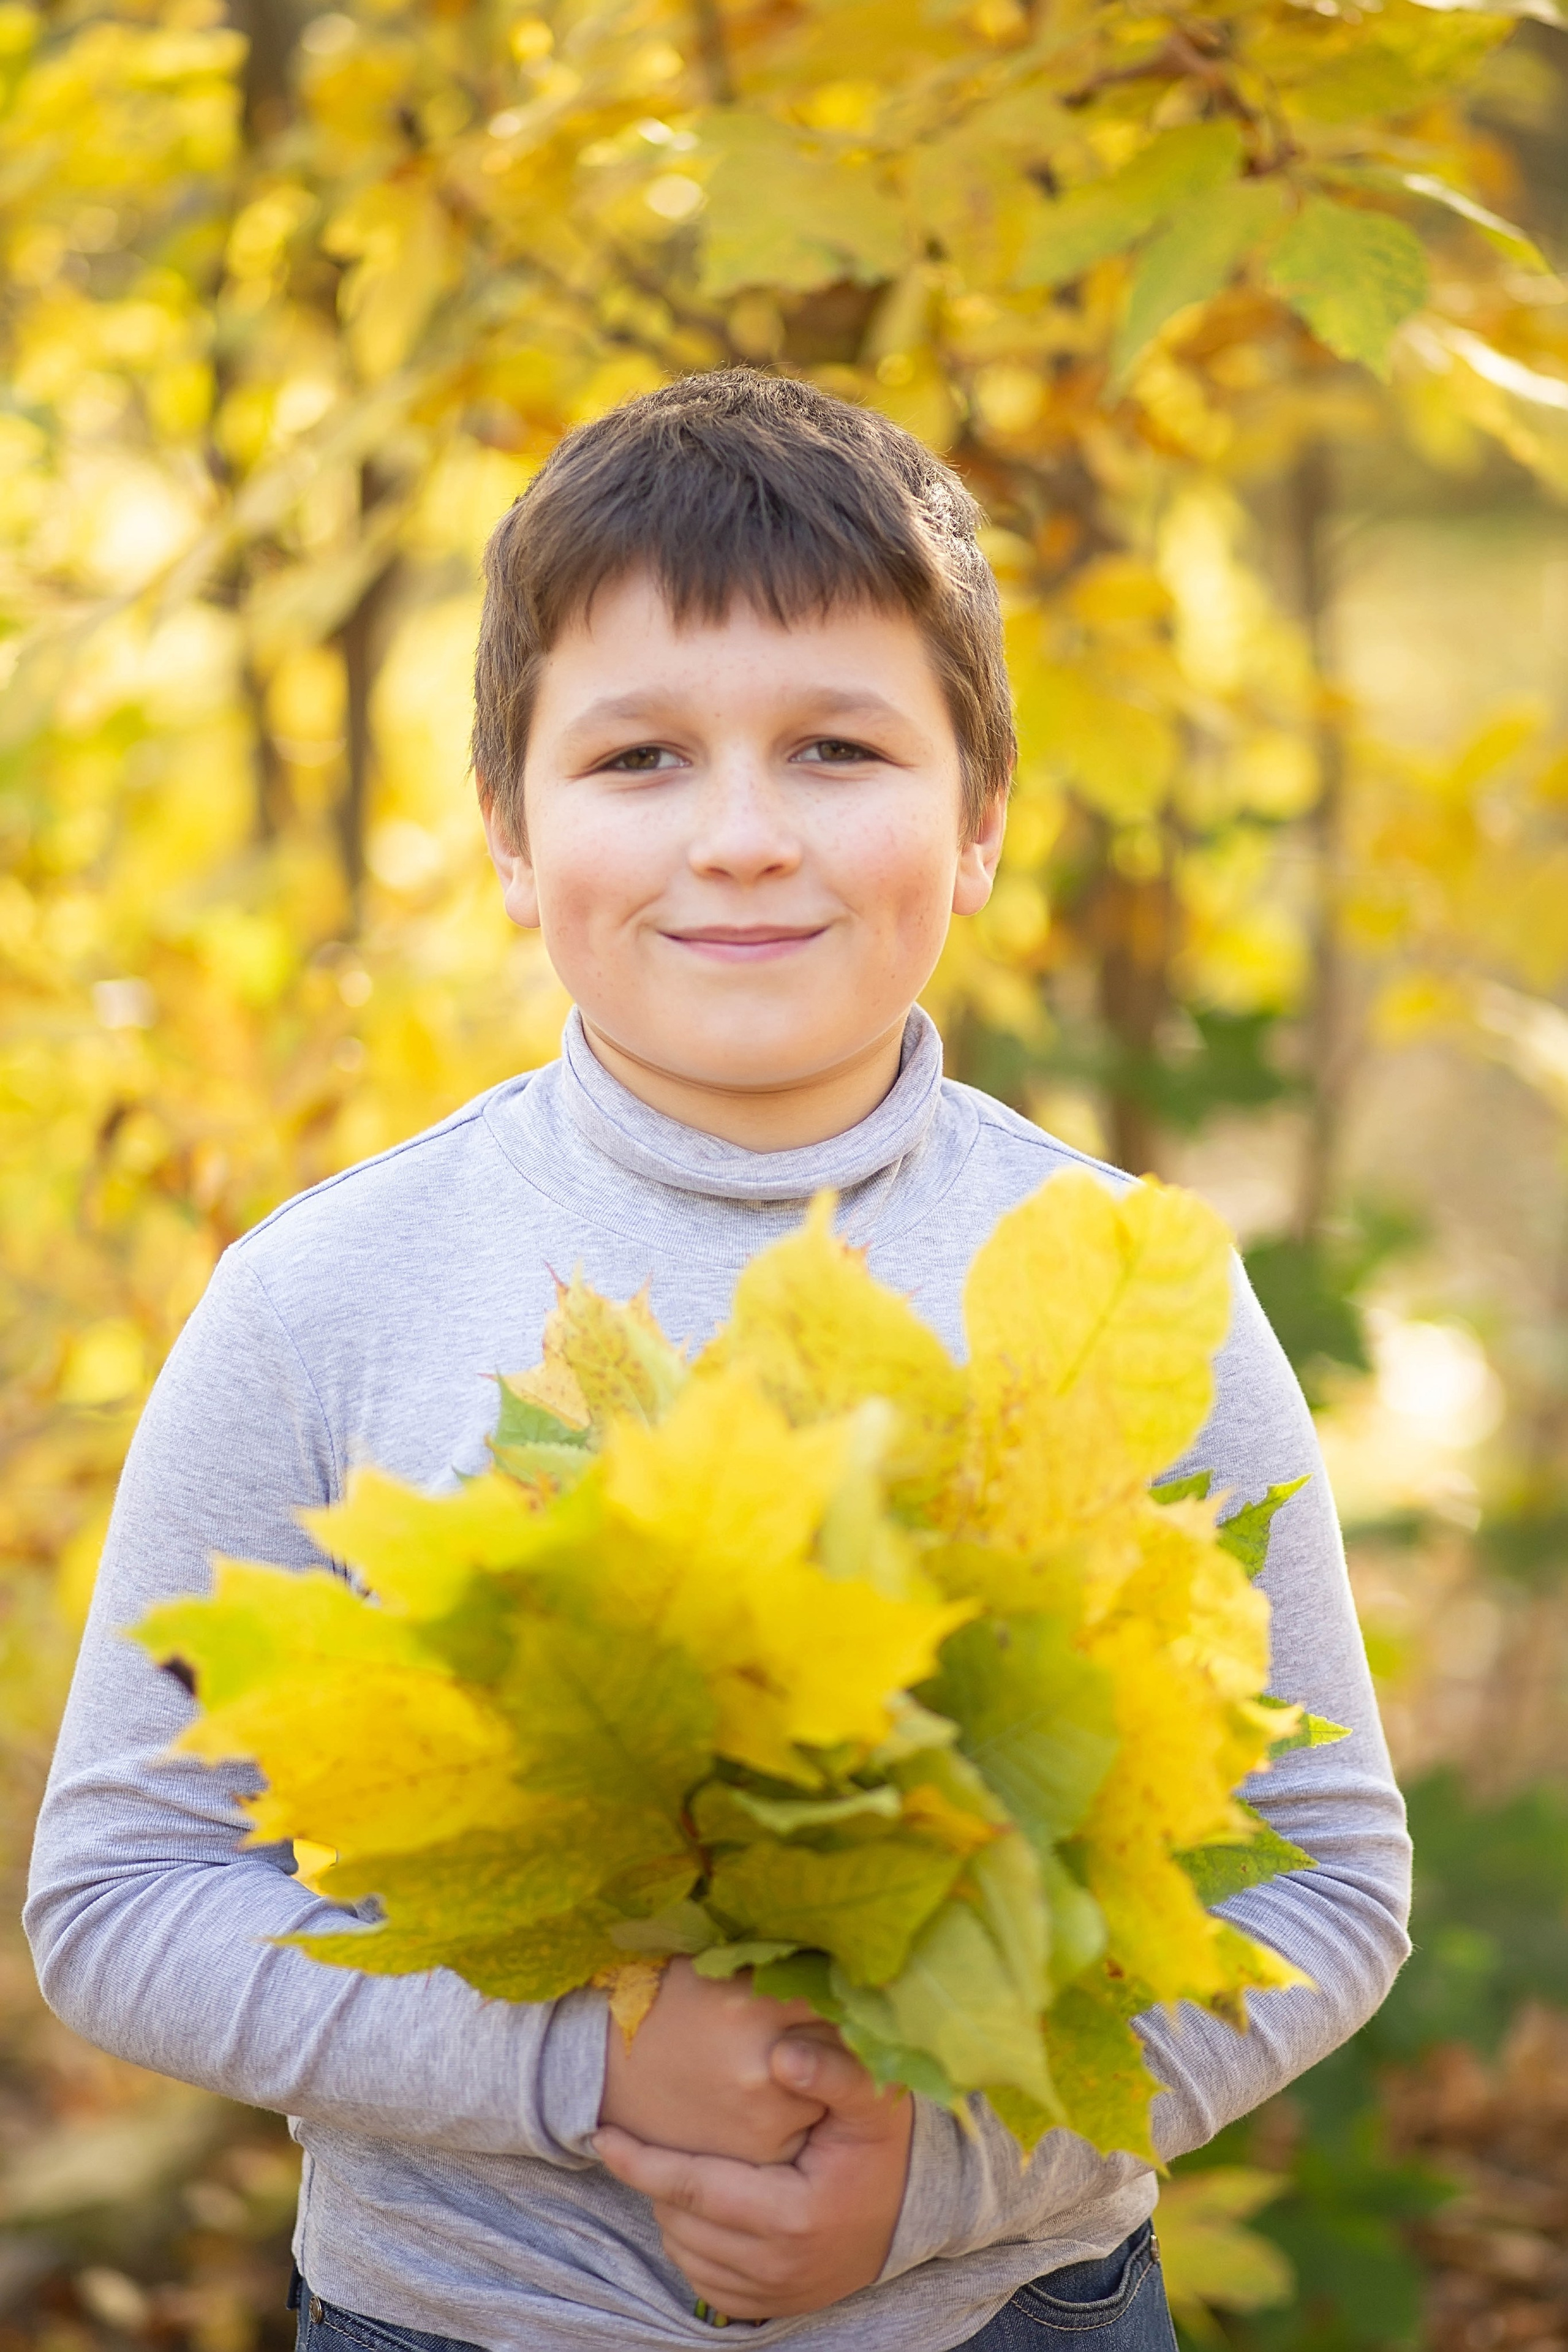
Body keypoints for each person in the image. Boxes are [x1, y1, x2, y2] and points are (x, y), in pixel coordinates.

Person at [26, 371, 1411, 2352]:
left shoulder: (1123, 1280)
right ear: (509, 832)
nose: (744, 838)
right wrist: (586, 2073)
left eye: (839, 748)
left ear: (984, 815)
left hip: (1014, 2309)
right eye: (643, 759)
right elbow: (123, 1899)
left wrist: (939, 2182)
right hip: (454, 2321)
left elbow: (1329, 1884)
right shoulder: (326, 1294)